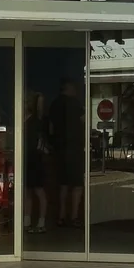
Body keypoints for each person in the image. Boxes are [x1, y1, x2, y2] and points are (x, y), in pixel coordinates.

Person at [47, 79, 85, 228]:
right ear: (69, 89)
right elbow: (83, 122)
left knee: (62, 185)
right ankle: (74, 216)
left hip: (59, 150)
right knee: (76, 186)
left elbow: (50, 128)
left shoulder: (54, 104)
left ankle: (61, 216)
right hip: (74, 149)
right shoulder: (75, 104)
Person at [23, 91, 48, 233]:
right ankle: (27, 221)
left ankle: (41, 222)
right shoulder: (24, 120)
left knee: (39, 190)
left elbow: (39, 141)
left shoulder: (36, 121)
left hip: (35, 158)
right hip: (26, 157)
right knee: (27, 191)